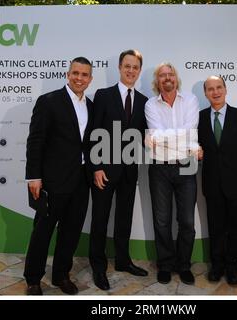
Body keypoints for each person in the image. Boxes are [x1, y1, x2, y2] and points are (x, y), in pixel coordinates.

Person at [23, 57, 94, 295]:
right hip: (53, 180)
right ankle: (33, 279)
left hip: (81, 180)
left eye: (84, 75)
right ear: (68, 74)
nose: (79, 78)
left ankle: (62, 275)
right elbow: (35, 141)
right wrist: (34, 176)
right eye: (75, 73)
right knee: (43, 230)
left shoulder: (91, 106)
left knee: (71, 231)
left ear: (90, 79)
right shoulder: (49, 101)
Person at [89, 49, 148, 291]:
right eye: (127, 66)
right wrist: (96, 167)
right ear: (120, 67)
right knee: (100, 219)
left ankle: (123, 261)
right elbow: (93, 132)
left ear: (139, 70)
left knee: (124, 219)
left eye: (135, 67)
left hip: (129, 171)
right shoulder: (103, 96)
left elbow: (147, 136)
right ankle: (98, 267)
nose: (131, 70)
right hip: (104, 171)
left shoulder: (145, 102)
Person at [198, 76, 237, 285]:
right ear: (205, 93)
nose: (215, 92)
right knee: (215, 228)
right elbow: (196, 147)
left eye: (219, 88)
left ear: (226, 89)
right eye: (210, 89)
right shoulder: (199, 118)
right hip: (212, 184)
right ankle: (217, 266)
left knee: (236, 227)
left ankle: (232, 266)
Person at [145, 62, 201, 285]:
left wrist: (163, 138)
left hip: (187, 165)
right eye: (162, 75)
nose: (167, 78)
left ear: (176, 78)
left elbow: (190, 130)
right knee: (162, 221)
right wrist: (180, 139)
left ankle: (184, 265)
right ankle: (165, 265)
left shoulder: (191, 100)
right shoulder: (150, 104)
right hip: (160, 168)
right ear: (157, 81)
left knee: (186, 221)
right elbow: (155, 135)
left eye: (170, 74)